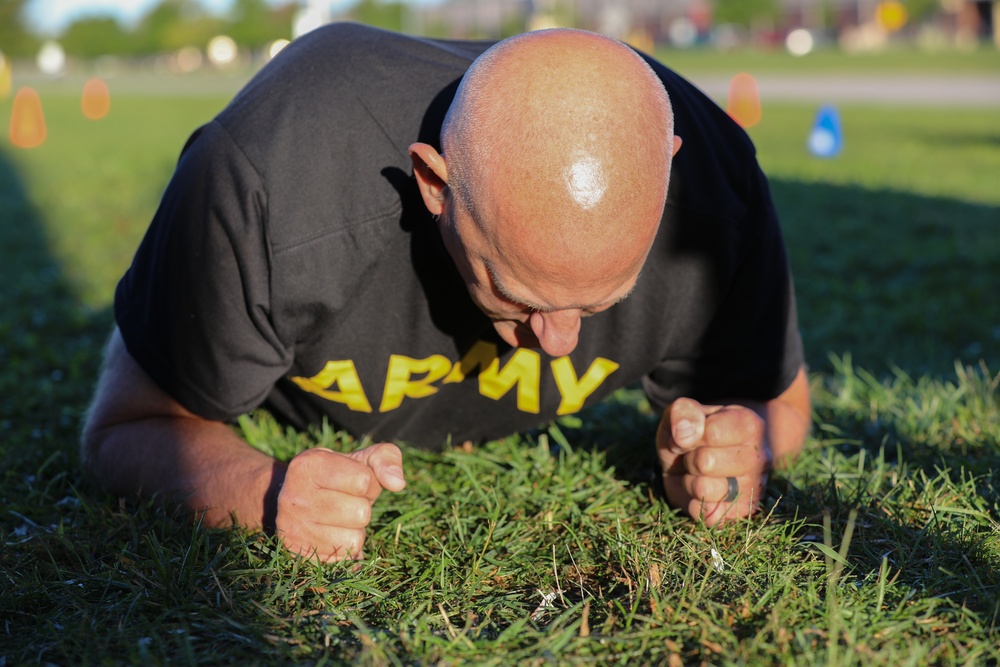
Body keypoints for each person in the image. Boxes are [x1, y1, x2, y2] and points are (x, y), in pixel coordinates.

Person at [82, 24, 811, 563]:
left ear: (668, 167)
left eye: (599, 299)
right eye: (518, 295)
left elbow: (779, 401)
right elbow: (123, 425)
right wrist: (261, 492)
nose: (559, 340)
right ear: (433, 184)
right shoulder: (278, 176)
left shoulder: (717, 195)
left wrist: (737, 444)